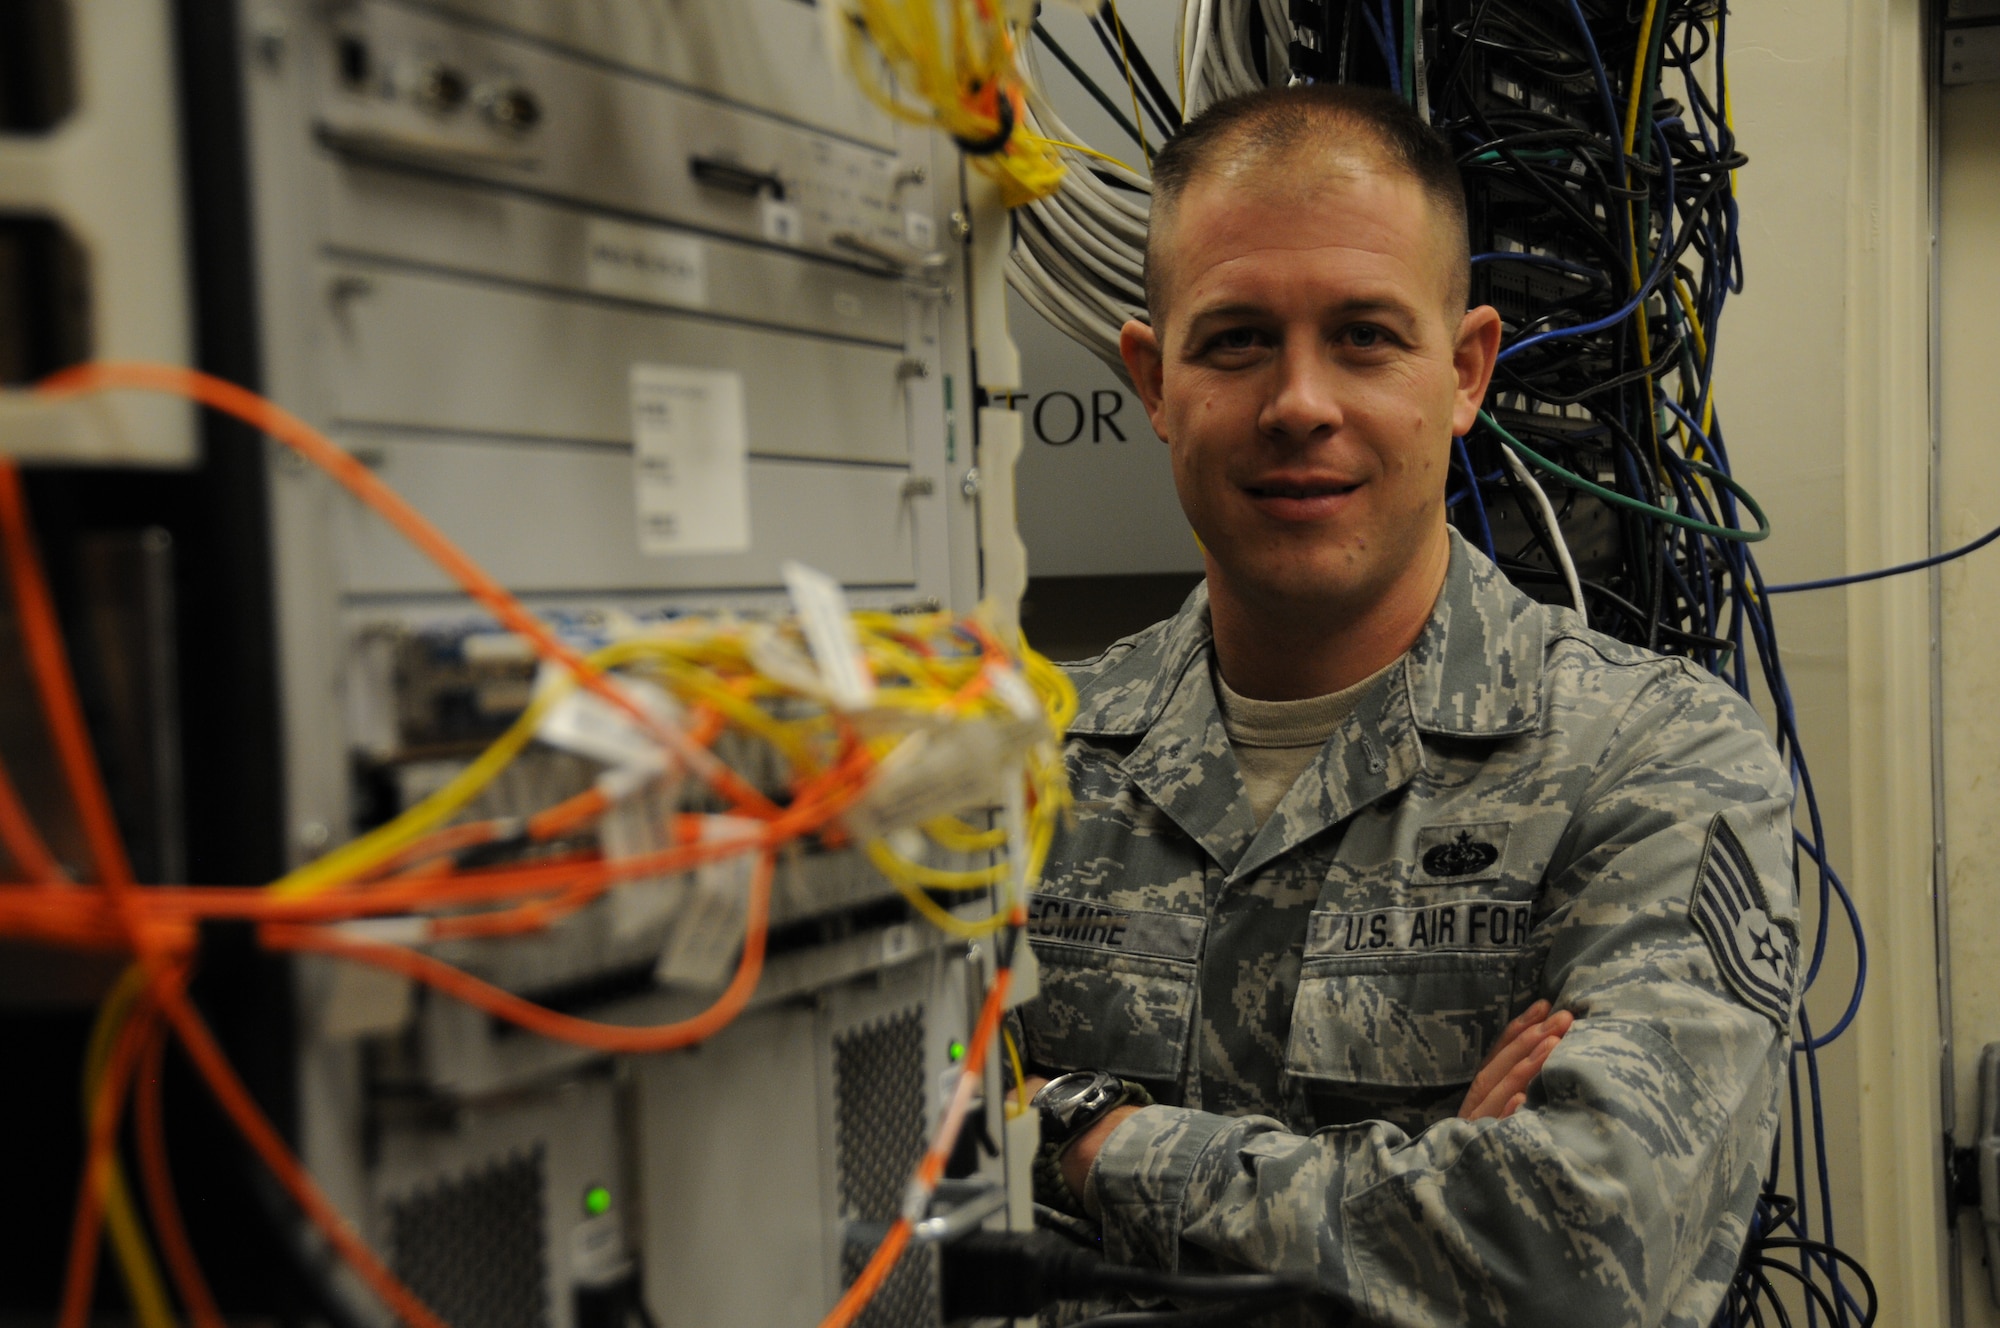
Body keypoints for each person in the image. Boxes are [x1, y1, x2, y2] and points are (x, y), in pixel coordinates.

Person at [1015, 83, 1798, 1327]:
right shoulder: (1026, 762)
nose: (1299, 404)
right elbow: (892, 1187)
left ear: (1465, 371)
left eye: (1366, 335)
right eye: (1234, 340)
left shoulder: (1648, 757)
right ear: (1151, 380)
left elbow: (1567, 1255)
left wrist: (1083, 1141)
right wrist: (1428, 1184)